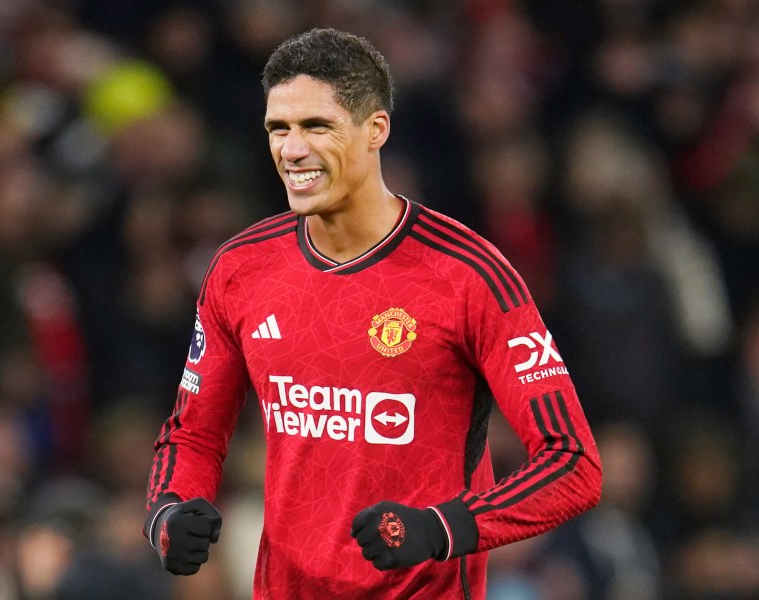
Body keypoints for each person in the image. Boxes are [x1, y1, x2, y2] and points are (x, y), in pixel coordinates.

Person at [144, 27, 602, 599]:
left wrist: (442, 527)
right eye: (278, 129)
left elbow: (572, 462)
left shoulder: (468, 277)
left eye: (317, 126)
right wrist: (168, 512)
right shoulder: (241, 269)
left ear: (375, 130)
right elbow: (192, 434)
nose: (291, 149)